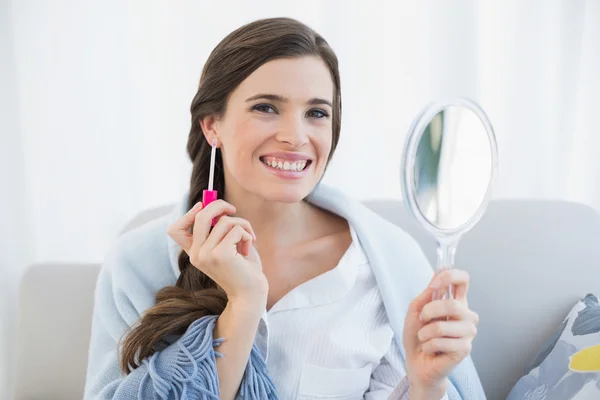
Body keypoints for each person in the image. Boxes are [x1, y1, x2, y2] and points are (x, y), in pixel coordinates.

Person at [83, 17, 484, 400]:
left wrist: (427, 385)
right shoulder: (136, 264)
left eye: (316, 113)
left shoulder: (386, 265)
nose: (295, 136)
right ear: (212, 125)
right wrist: (243, 303)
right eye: (266, 107)